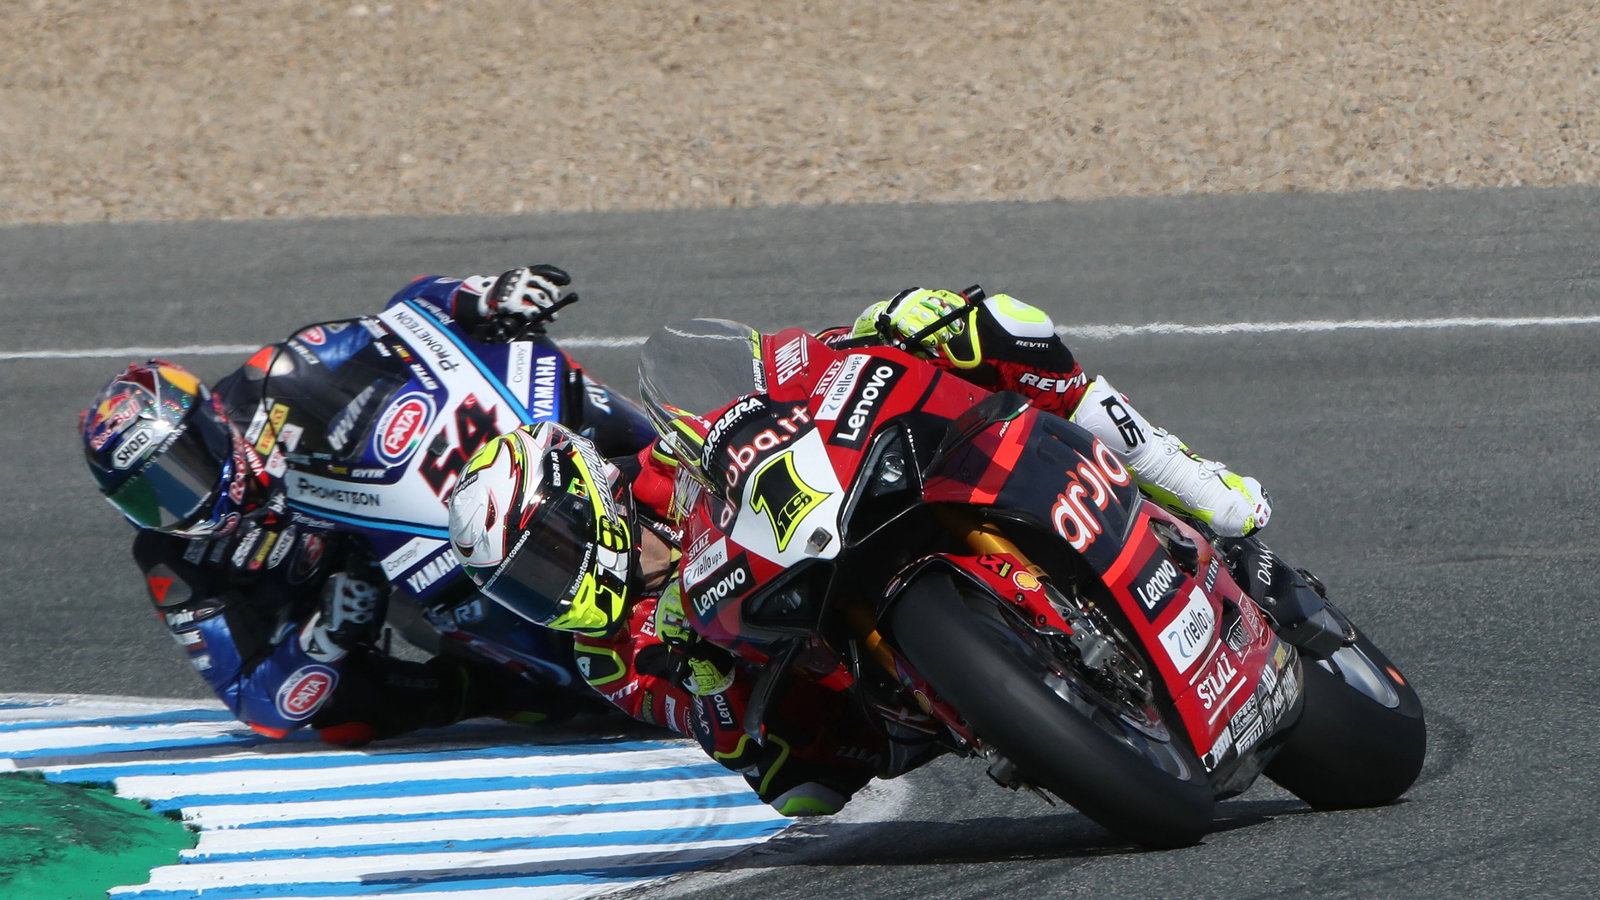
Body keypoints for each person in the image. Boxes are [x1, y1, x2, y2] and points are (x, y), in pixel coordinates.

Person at [443, 285, 1283, 816]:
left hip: (850, 514)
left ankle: (1177, 474)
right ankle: (1009, 705)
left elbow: (771, 376)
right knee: (798, 791)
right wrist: (698, 683)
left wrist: (857, 341)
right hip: (830, 666)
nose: (551, 586)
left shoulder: (664, 461)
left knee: (987, 325)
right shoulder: (606, 655)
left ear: (578, 492)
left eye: (545, 555)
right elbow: (734, 745)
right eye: (526, 585)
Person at [81, 264, 656, 745]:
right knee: (343, 718)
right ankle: (500, 690)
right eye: (146, 498)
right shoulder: (172, 565)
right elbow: (251, 702)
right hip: (366, 590)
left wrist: (482, 298)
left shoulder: (276, 376)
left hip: (415, 493)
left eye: (178, 475)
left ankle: (671, 457)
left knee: (567, 394)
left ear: (207, 425)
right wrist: (326, 634)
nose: (177, 506)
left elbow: (402, 317)